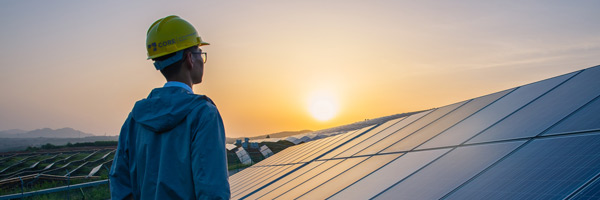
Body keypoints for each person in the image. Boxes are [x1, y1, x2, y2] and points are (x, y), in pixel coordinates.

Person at [109, 15, 230, 200]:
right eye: (200, 54)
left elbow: (119, 184)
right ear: (189, 58)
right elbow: (212, 192)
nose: (201, 61)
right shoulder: (203, 114)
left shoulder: (135, 118)